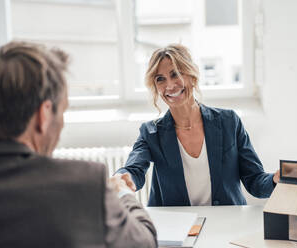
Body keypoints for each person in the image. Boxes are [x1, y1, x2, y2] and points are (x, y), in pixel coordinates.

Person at [0, 41, 157, 248]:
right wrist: (123, 193)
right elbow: (144, 243)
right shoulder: (85, 185)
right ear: (43, 115)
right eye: (62, 111)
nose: (61, 123)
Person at [116, 44, 280, 207]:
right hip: (177, 226)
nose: (170, 86)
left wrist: (276, 179)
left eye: (176, 74)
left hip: (227, 222)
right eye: (160, 79)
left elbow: (255, 181)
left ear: (192, 77)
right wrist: (121, 180)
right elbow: (134, 170)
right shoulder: (151, 132)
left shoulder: (229, 122)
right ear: (155, 87)